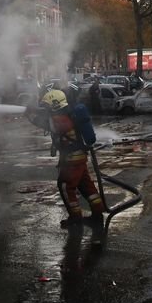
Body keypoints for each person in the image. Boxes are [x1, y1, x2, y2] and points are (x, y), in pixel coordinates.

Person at [27, 89, 104, 228]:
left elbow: (43, 123)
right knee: (86, 187)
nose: (46, 109)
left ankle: (75, 218)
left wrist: (30, 114)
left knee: (65, 187)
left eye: (47, 106)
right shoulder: (68, 115)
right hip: (79, 159)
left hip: (71, 161)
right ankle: (98, 215)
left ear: (54, 105)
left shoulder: (60, 120)